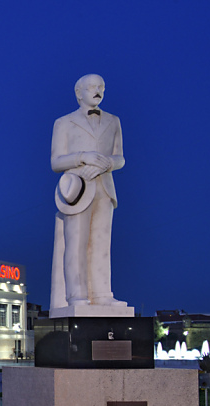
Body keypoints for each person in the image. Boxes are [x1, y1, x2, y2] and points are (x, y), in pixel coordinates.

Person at [49, 73, 128, 314]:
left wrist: (108, 163)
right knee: (76, 243)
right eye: (92, 87)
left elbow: (120, 157)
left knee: (102, 243)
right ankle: (77, 295)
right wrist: (83, 157)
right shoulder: (63, 123)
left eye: (102, 86)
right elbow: (55, 162)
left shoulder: (113, 121)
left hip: (105, 187)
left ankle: (103, 294)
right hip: (77, 188)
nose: (98, 90)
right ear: (79, 93)